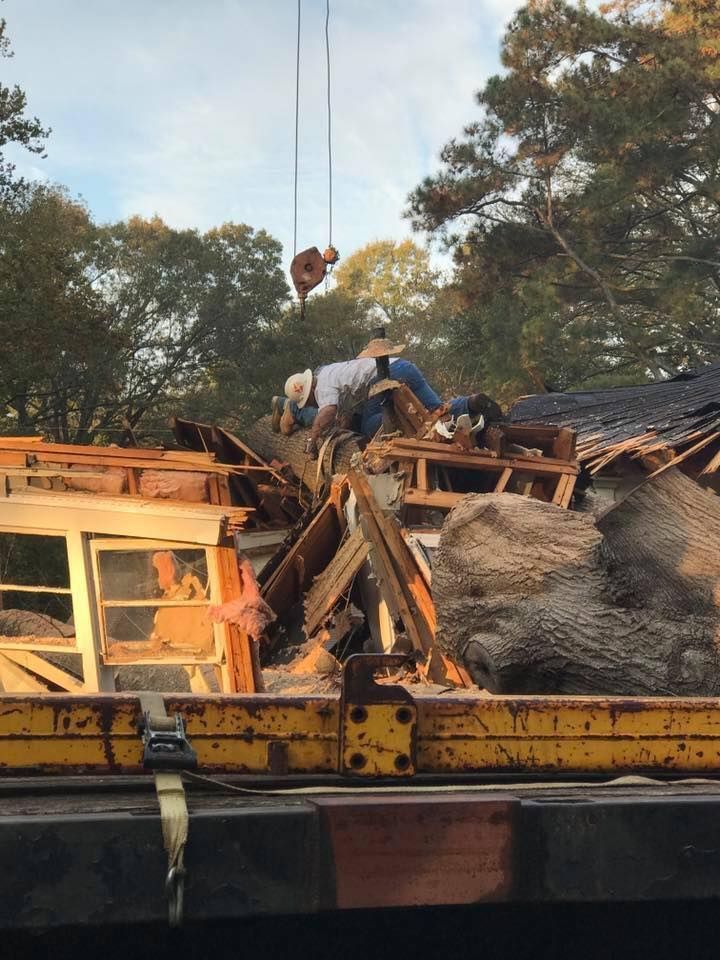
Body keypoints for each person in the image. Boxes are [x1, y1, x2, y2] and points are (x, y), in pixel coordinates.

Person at [271, 343, 503, 457]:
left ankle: (401, 435)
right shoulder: (329, 371)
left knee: (368, 428)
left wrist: (312, 439)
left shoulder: (321, 388)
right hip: (403, 366)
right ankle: (472, 403)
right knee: (436, 410)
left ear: (308, 391)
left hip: (383, 379)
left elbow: (328, 411)